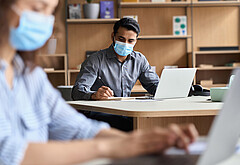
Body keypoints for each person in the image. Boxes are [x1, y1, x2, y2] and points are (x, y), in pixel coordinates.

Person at [0, 0, 198, 164]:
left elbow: (80, 129)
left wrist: (148, 142)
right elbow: (7, 153)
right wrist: (114, 146)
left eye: (50, 12)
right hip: (104, 113)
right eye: (37, 9)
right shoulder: (96, 59)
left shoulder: (31, 76)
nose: (45, 21)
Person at [71, 18, 159, 131]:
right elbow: (77, 91)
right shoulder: (95, 60)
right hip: (101, 114)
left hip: (126, 112)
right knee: (133, 125)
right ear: (113, 36)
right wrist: (94, 95)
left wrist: (174, 89)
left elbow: (154, 85)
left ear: (136, 40)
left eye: (130, 41)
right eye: (121, 39)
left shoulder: (139, 60)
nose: (125, 44)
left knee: (149, 123)